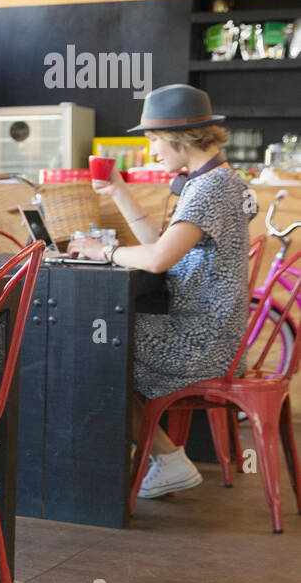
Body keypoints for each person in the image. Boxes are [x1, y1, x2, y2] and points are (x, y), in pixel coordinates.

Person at [68, 84, 257, 499]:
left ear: (179, 138)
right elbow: (160, 243)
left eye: (153, 139)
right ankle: (159, 459)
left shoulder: (210, 188)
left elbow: (156, 261)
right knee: (97, 336)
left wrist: (106, 251)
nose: (152, 149)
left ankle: (163, 460)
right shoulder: (215, 180)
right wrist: (118, 191)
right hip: (213, 331)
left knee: (93, 340)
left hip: (201, 339)